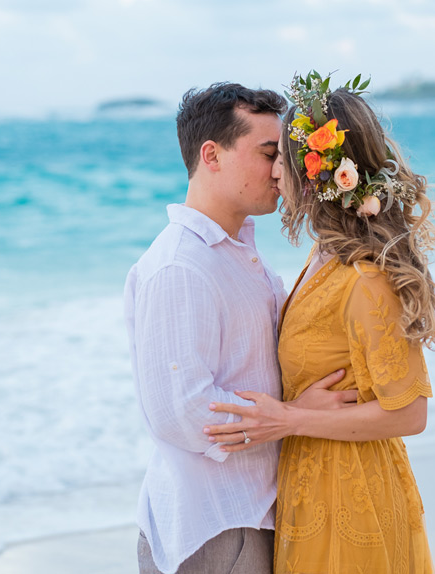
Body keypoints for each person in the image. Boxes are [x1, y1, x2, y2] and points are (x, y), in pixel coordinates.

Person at [204, 72, 435, 573]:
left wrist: (289, 419)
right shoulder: (325, 256)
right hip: (307, 488)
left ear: (316, 174)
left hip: (354, 497)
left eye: (280, 162)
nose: (273, 176)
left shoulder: (366, 278)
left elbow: (410, 413)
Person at [125, 82, 354, 574]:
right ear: (212, 155)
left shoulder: (237, 252)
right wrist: (294, 416)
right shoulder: (179, 266)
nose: (279, 170)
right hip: (214, 526)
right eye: (268, 153)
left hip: (251, 512)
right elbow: (182, 412)